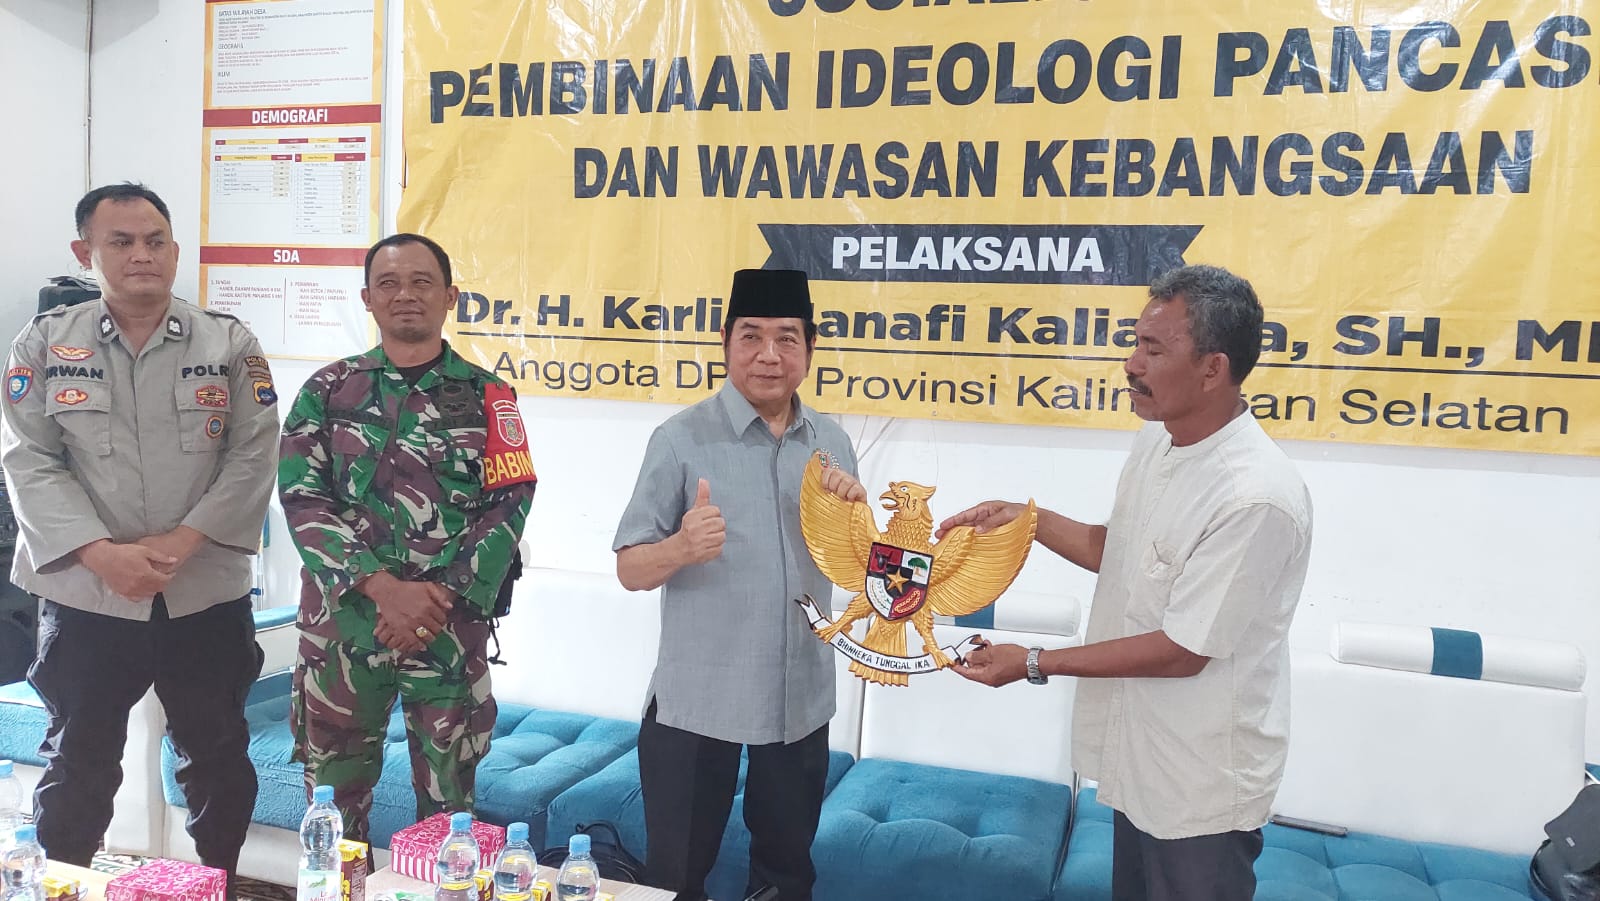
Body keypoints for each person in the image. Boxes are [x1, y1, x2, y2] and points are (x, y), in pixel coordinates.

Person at [943, 264, 1313, 901]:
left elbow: (1183, 651)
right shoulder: (1158, 442)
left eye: (1153, 349)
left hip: (1200, 786)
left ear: (1212, 369)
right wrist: (1026, 520)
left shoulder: (1255, 497)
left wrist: (1032, 662)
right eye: (1135, 343)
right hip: (1139, 759)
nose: (1131, 365)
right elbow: (1120, 554)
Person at [0, 183, 278, 884]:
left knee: (218, 755)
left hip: (203, 593)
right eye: (120, 242)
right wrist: (100, 554)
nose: (141, 255)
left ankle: (218, 884)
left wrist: (184, 542)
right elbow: (27, 458)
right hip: (87, 597)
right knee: (78, 761)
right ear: (84, 253)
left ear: (175, 251)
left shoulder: (229, 342)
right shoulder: (43, 342)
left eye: (155, 241)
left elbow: (253, 455)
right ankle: (62, 885)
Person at [614, 269, 865, 901]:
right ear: (725, 343)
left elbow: (854, 569)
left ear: (809, 348)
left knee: (786, 878)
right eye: (751, 336)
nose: (768, 355)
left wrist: (856, 523)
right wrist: (679, 547)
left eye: (787, 338)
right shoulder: (680, 440)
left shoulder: (832, 443)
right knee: (675, 880)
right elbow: (630, 568)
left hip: (799, 697)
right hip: (698, 702)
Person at [278, 233, 536, 843]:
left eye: (422, 282)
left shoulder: (488, 395)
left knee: (449, 814)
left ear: (450, 296)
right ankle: (342, 887)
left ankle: (438, 884)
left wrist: (433, 601)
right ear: (367, 298)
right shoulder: (327, 390)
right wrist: (382, 589)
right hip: (345, 633)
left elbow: (510, 500)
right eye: (389, 283)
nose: (406, 295)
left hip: (446, 633)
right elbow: (303, 497)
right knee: (332, 810)